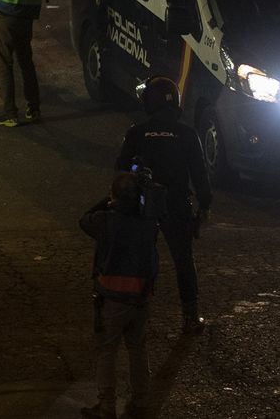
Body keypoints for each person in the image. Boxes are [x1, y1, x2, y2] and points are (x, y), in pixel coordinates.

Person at [114, 76, 211, 333]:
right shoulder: (188, 134)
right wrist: (205, 205)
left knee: (139, 260)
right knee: (183, 261)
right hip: (177, 205)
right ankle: (190, 317)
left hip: (144, 206)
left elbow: (121, 169)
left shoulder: (136, 133)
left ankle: (133, 315)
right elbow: (200, 174)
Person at [79, 171, 163, 419]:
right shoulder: (149, 224)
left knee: (107, 352)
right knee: (138, 349)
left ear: (115, 197)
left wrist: (107, 200)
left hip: (113, 299)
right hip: (140, 298)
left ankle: (106, 406)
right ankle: (140, 401)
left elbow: (84, 220)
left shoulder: (106, 221)